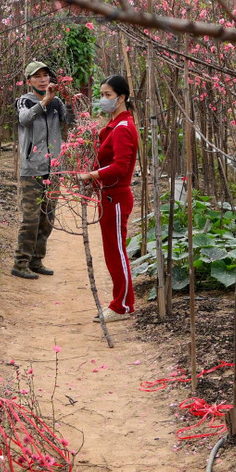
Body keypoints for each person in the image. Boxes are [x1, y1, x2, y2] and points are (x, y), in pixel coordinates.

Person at [75, 75, 138, 321]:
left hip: (117, 197)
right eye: (101, 95)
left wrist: (93, 174)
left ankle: (122, 305)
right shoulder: (113, 125)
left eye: (108, 95)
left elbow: (121, 167)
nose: (103, 100)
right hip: (108, 196)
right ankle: (121, 303)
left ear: (121, 98)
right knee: (112, 252)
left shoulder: (123, 129)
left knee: (118, 252)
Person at [13, 60, 74, 279]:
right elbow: (25, 119)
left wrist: (67, 101)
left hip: (54, 168)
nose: (42, 79)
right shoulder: (24, 102)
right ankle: (20, 263)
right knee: (30, 218)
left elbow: (71, 122)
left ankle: (37, 261)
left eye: (45, 75)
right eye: (37, 76)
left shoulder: (56, 102)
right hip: (32, 169)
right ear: (29, 81)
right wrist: (44, 101)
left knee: (47, 217)